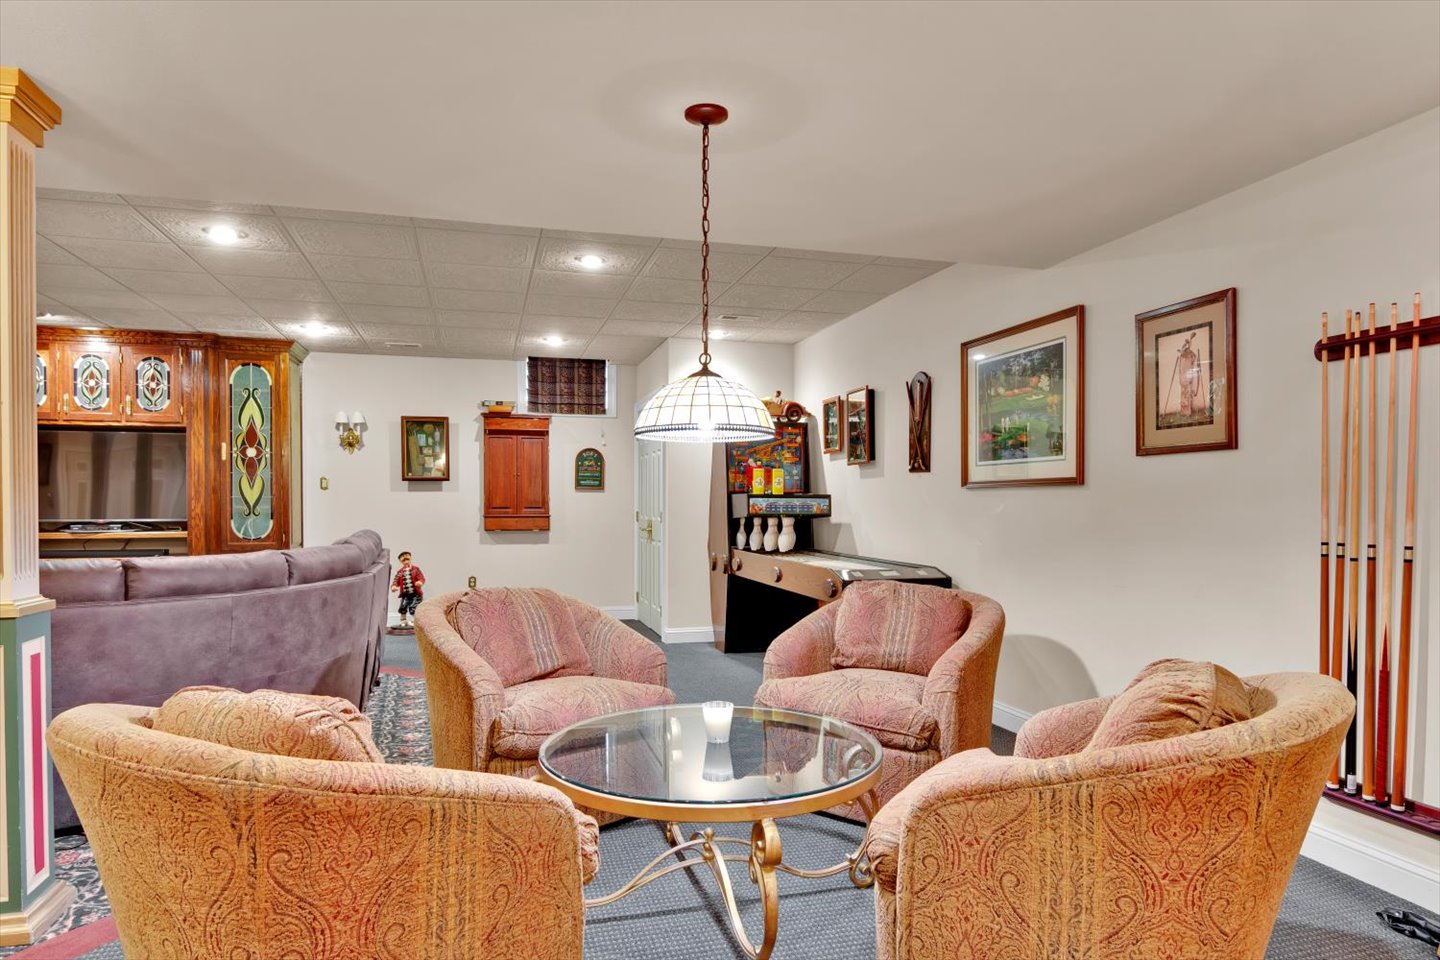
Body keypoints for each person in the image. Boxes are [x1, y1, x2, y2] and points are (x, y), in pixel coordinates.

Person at [391, 551, 426, 628]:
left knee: (414, 607)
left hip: (416, 594)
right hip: (405, 594)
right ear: (400, 560)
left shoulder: (416, 569)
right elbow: (396, 581)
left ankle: (416, 621)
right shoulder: (400, 572)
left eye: (406, 555)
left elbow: (421, 578)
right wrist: (394, 586)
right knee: (403, 607)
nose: (405, 558)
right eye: (402, 557)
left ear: (410, 558)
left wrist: (420, 582)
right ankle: (403, 621)